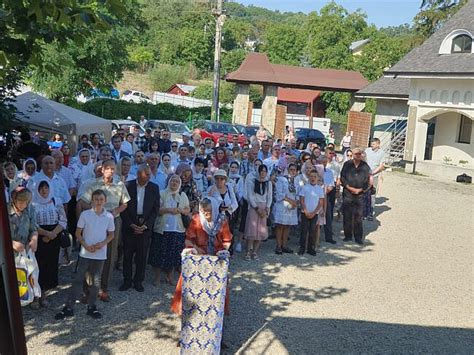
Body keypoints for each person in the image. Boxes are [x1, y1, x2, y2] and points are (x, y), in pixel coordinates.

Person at [55, 189, 115, 320]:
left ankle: (92, 305)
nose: (98, 202)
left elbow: (111, 234)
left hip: (100, 253)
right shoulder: (85, 215)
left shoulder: (109, 217)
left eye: (101, 200)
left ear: (105, 201)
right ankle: (69, 306)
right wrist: (85, 244)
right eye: (96, 199)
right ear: (92, 201)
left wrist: (102, 243)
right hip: (85, 252)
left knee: (96, 281)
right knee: (78, 278)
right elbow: (78, 232)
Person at [171, 197, 232, 315]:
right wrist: (195, 249)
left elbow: (227, 241)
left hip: (216, 256)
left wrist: (223, 251)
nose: (205, 214)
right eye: (203, 211)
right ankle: (188, 308)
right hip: (199, 254)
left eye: (208, 211)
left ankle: (215, 310)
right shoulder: (196, 219)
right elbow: (188, 239)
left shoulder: (222, 221)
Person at [80, 159, 130, 302]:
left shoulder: (120, 184)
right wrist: (94, 211)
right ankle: (88, 289)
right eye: (107, 168)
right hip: (95, 220)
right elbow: (83, 202)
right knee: (92, 252)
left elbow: (125, 203)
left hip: (113, 220)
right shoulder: (93, 184)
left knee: (109, 254)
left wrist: (115, 212)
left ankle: (103, 288)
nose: (110, 171)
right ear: (102, 169)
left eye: (113, 168)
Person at [120, 164, 160, 292]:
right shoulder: (128, 186)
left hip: (145, 224)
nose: (149, 176)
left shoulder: (154, 188)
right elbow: (122, 207)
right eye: (146, 174)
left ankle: (138, 281)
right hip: (130, 224)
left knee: (142, 256)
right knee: (127, 255)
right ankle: (127, 280)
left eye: (149, 174)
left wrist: (146, 225)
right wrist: (130, 224)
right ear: (138, 174)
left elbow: (155, 209)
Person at [149, 174, 190, 286]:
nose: (174, 183)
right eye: (172, 181)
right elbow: (157, 209)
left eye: (177, 181)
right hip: (162, 228)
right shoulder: (162, 193)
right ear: (169, 182)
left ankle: (169, 276)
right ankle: (157, 277)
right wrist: (169, 210)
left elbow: (187, 210)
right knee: (159, 253)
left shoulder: (182, 195)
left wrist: (180, 210)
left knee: (173, 255)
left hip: (177, 229)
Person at [32, 180, 67, 307]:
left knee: (50, 266)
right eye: (41, 188)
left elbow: (63, 220)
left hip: (54, 238)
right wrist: (46, 234)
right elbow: (32, 224)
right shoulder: (33, 204)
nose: (44, 190)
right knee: (37, 266)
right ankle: (35, 296)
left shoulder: (56, 201)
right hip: (39, 238)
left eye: (46, 188)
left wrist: (53, 234)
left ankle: (44, 293)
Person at [8, 187, 39, 307]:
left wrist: (34, 239)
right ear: (14, 200)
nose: (23, 205)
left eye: (26, 202)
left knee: (30, 274)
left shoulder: (30, 209)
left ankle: (31, 298)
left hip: (26, 249)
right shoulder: (5, 210)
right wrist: (12, 244)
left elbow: (33, 228)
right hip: (9, 253)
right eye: (20, 202)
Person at [340, 147, 371, 245]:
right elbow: (342, 177)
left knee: (358, 216)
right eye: (356, 154)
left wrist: (360, 189)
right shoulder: (347, 164)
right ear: (352, 154)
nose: (358, 155)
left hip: (360, 194)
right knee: (347, 215)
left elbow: (367, 180)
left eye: (359, 153)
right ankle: (348, 236)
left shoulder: (365, 166)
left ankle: (358, 237)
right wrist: (349, 188)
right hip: (348, 193)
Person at [245, 164, 272, 261]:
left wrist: (267, 208)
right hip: (254, 207)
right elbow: (250, 196)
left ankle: (255, 252)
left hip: (264, 206)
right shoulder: (252, 182)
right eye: (261, 171)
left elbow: (269, 196)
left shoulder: (268, 183)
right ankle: (248, 251)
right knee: (252, 230)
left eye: (265, 171)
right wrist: (256, 208)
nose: (263, 173)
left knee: (260, 230)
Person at [273, 163, 298, 254]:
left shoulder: (296, 181)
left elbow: (298, 193)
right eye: (291, 169)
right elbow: (279, 194)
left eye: (294, 170)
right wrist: (291, 201)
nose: (292, 171)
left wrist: (296, 202)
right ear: (287, 170)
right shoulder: (281, 179)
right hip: (282, 205)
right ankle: (278, 246)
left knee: (287, 226)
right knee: (280, 226)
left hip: (292, 206)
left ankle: (284, 245)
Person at [298, 169, 325, 256]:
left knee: (312, 231)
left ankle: (310, 248)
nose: (313, 178)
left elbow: (321, 202)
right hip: (305, 213)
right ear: (309, 178)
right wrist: (305, 211)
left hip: (314, 214)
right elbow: (301, 200)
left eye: (315, 177)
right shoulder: (305, 187)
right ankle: (302, 248)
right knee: (304, 231)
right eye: (311, 177)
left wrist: (314, 212)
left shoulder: (319, 189)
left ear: (317, 178)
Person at [364, 138, 385, 221]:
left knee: (372, 195)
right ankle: (364, 212)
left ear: (378, 144)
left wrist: (372, 173)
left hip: (374, 176)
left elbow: (382, 166)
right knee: (364, 193)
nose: (371, 145)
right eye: (371, 144)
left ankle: (370, 213)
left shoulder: (382, 153)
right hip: (365, 175)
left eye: (373, 144)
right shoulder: (367, 150)